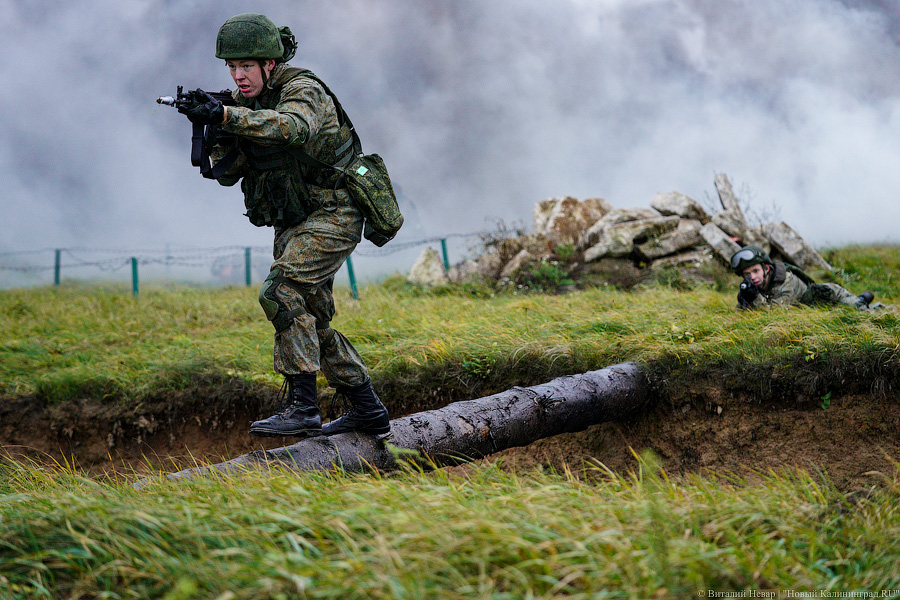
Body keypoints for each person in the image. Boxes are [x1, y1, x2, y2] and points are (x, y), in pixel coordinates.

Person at [177, 13, 390, 440]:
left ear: (269, 64)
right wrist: (216, 132)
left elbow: (294, 128)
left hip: (336, 210)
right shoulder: (245, 105)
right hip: (294, 218)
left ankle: (303, 408)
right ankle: (368, 410)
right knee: (312, 320)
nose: (238, 76)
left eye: (246, 66)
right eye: (231, 67)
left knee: (280, 292)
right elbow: (228, 174)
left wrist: (226, 115)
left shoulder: (303, 89)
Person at [730, 246, 874, 311]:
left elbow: (775, 315)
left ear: (766, 268)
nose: (752, 277)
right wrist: (745, 300)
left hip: (831, 298)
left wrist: (755, 298)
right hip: (811, 311)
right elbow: (742, 316)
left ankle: (864, 300)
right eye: (747, 274)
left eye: (756, 271)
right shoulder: (751, 287)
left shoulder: (786, 281)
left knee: (860, 312)